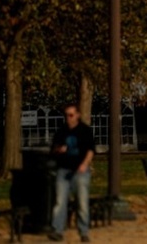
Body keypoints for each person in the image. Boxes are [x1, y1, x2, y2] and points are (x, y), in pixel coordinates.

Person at [49, 103, 95, 243]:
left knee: (81, 202)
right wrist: (59, 150)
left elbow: (90, 151)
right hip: (63, 170)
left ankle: (83, 232)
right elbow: (54, 148)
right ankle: (57, 230)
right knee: (60, 202)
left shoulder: (85, 131)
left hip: (80, 171)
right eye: (66, 115)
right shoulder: (61, 131)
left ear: (77, 115)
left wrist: (84, 165)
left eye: (71, 115)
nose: (68, 118)